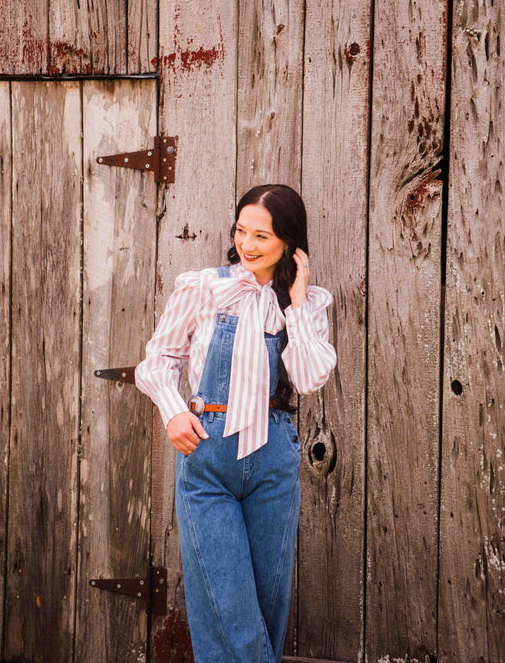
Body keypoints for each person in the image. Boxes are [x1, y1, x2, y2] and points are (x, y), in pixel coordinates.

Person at [135, 184, 337, 663]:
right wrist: (174, 410)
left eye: (262, 236)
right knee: (226, 610)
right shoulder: (204, 287)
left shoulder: (306, 305)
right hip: (209, 455)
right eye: (241, 231)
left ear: (288, 242)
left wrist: (297, 304)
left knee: (267, 609)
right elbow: (158, 360)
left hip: (274, 459)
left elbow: (309, 378)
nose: (247, 244)